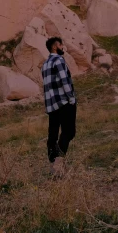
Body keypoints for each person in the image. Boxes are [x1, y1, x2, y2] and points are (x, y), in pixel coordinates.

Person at [41, 36, 77, 175]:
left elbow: (47, 86)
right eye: (61, 45)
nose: (63, 47)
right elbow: (64, 81)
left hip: (51, 105)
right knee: (69, 132)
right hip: (63, 102)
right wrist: (71, 99)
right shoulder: (59, 60)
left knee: (53, 134)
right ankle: (58, 163)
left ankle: (53, 160)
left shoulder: (45, 65)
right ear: (55, 46)